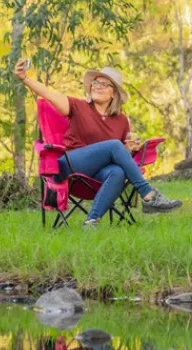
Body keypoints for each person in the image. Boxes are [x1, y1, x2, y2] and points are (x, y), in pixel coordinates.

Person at [13, 59, 181, 227]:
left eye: (104, 84)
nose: (98, 86)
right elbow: (49, 94)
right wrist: (25, 78)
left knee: (117, 171)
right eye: (96, 82)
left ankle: (91, 222)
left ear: (114, 93)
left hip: (96, 175)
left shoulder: (122, 120)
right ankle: (148, 195)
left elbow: (120, 153)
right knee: (114, 145)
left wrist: (130, 149)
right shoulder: (78, 106)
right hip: (70, 166)